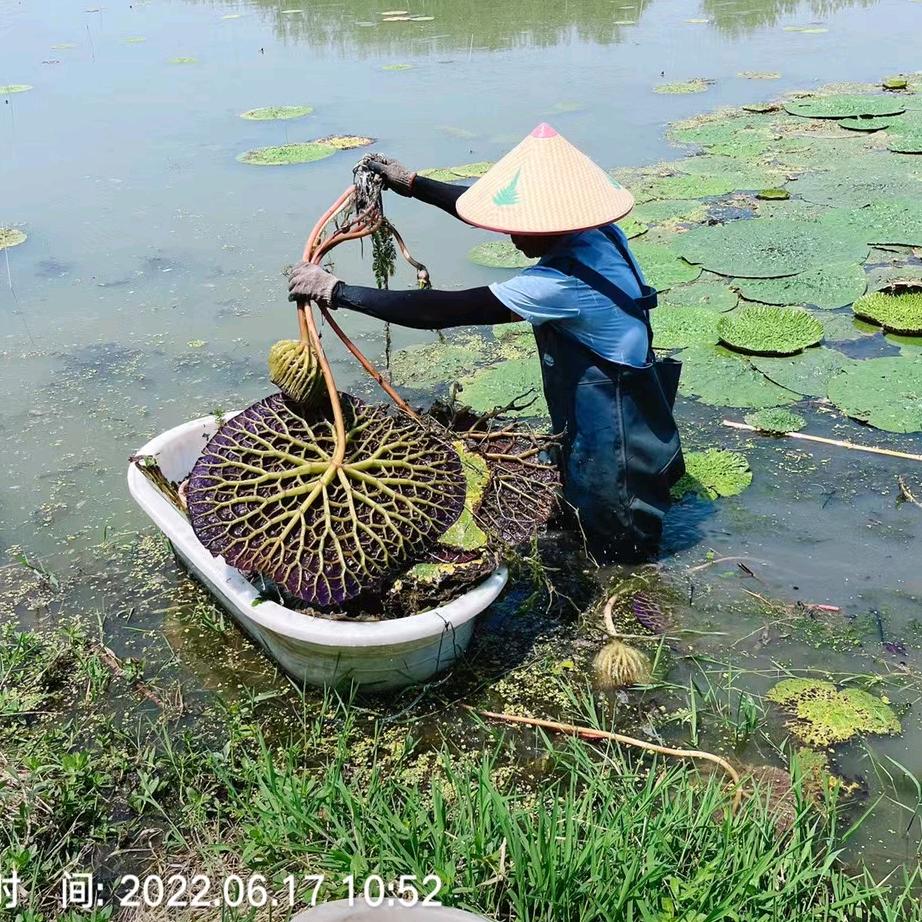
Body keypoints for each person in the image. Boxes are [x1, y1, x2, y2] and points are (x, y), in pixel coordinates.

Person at [288, 123, 684, 561]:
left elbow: (445, 310)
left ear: (551, 223)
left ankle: (634, 583)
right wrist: (412, 184)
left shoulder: (558, 285)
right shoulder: (599, 231)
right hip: (622, 384)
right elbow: (489, 206)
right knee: (587, 495)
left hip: (615, 412)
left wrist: (338, 291)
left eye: (519, 229)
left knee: (619, 532)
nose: (510, 237)